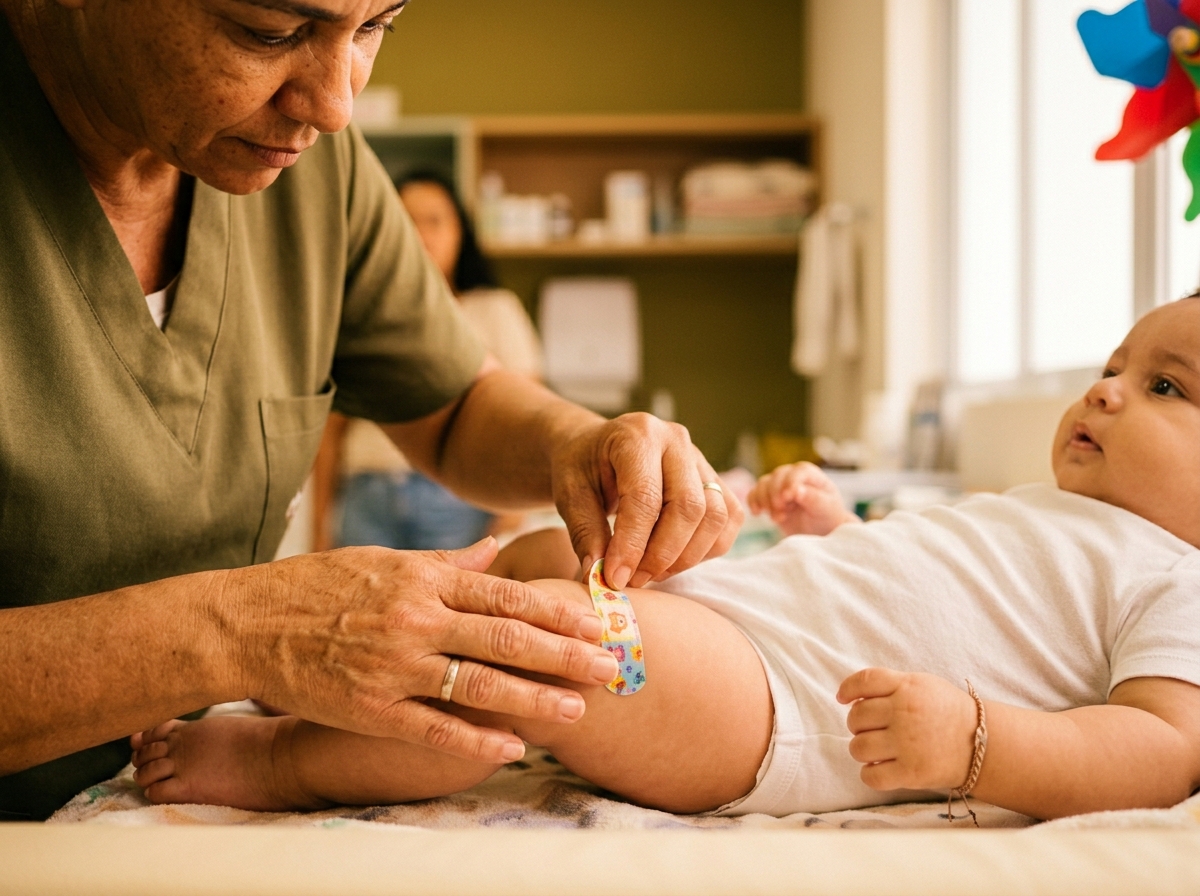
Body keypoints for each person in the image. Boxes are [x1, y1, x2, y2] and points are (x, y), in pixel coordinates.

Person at [0, 0, 742, 821]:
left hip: (164, 792)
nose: (334, 106)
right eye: (269, 32)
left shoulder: (310, 169)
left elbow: (454, 404)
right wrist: (242, 630)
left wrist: (577, 441)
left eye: (374, 28)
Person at [130, 298, 1200, 821]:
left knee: (547, 655)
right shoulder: (1041, 510)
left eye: (1166, 387)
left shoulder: (1178, 580)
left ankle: (283, 762)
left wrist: (978, 741)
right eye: (1114, 364)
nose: (1105, 388)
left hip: (781, 705)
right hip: (747, 618)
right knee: (551, 551)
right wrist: (833, 530)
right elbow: (933, 592)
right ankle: (333, 681)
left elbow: (1161, 748)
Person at [313, 169, 543, 553]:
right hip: (366, 496)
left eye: (434, 221)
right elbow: (331, 431)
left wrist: (512, 511)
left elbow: (527, 413)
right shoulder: (362, 312)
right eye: (406, 221)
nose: (421, 235)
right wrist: (320, 526)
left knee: (455, 612)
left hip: (458, 498)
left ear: (460, 232)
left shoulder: (494, 310)